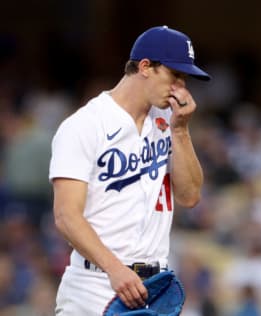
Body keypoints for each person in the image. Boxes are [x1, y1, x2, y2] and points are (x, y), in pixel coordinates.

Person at [49, 25, 210, 315]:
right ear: (145, 67)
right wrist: (114, 269)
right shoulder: (85, 125)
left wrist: (181, 130)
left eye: (184, 79)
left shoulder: (168, 122)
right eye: (175, 75)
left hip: (152, 285)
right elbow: (65, 215)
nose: (180, 88)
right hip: (95, 282)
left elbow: (190, 197)